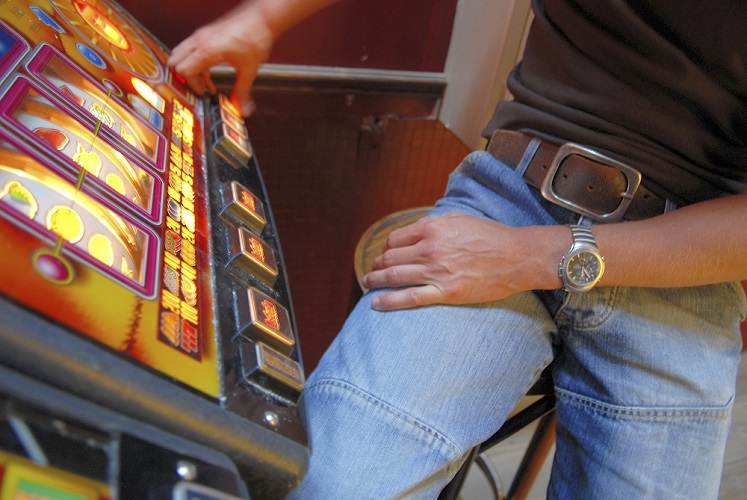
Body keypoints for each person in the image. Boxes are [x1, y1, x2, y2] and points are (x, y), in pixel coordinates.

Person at [169, 0, 747, 497]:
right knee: (335, 487)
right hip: (514, 194)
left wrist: (532, 256)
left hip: (684, 262)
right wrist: (264, 18)